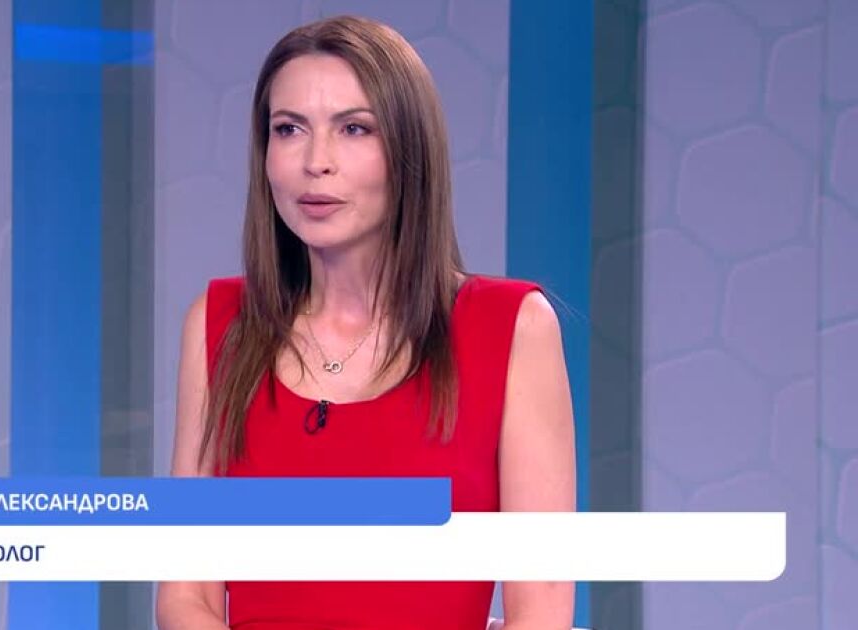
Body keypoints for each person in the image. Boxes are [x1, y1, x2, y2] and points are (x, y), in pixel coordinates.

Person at [156, 15, 575, 630]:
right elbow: (184, 596)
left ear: (409, 151)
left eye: (353, 129)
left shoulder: (512, 328)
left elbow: (542, 607)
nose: (316, 162)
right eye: (289, 129)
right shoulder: (221, 325)